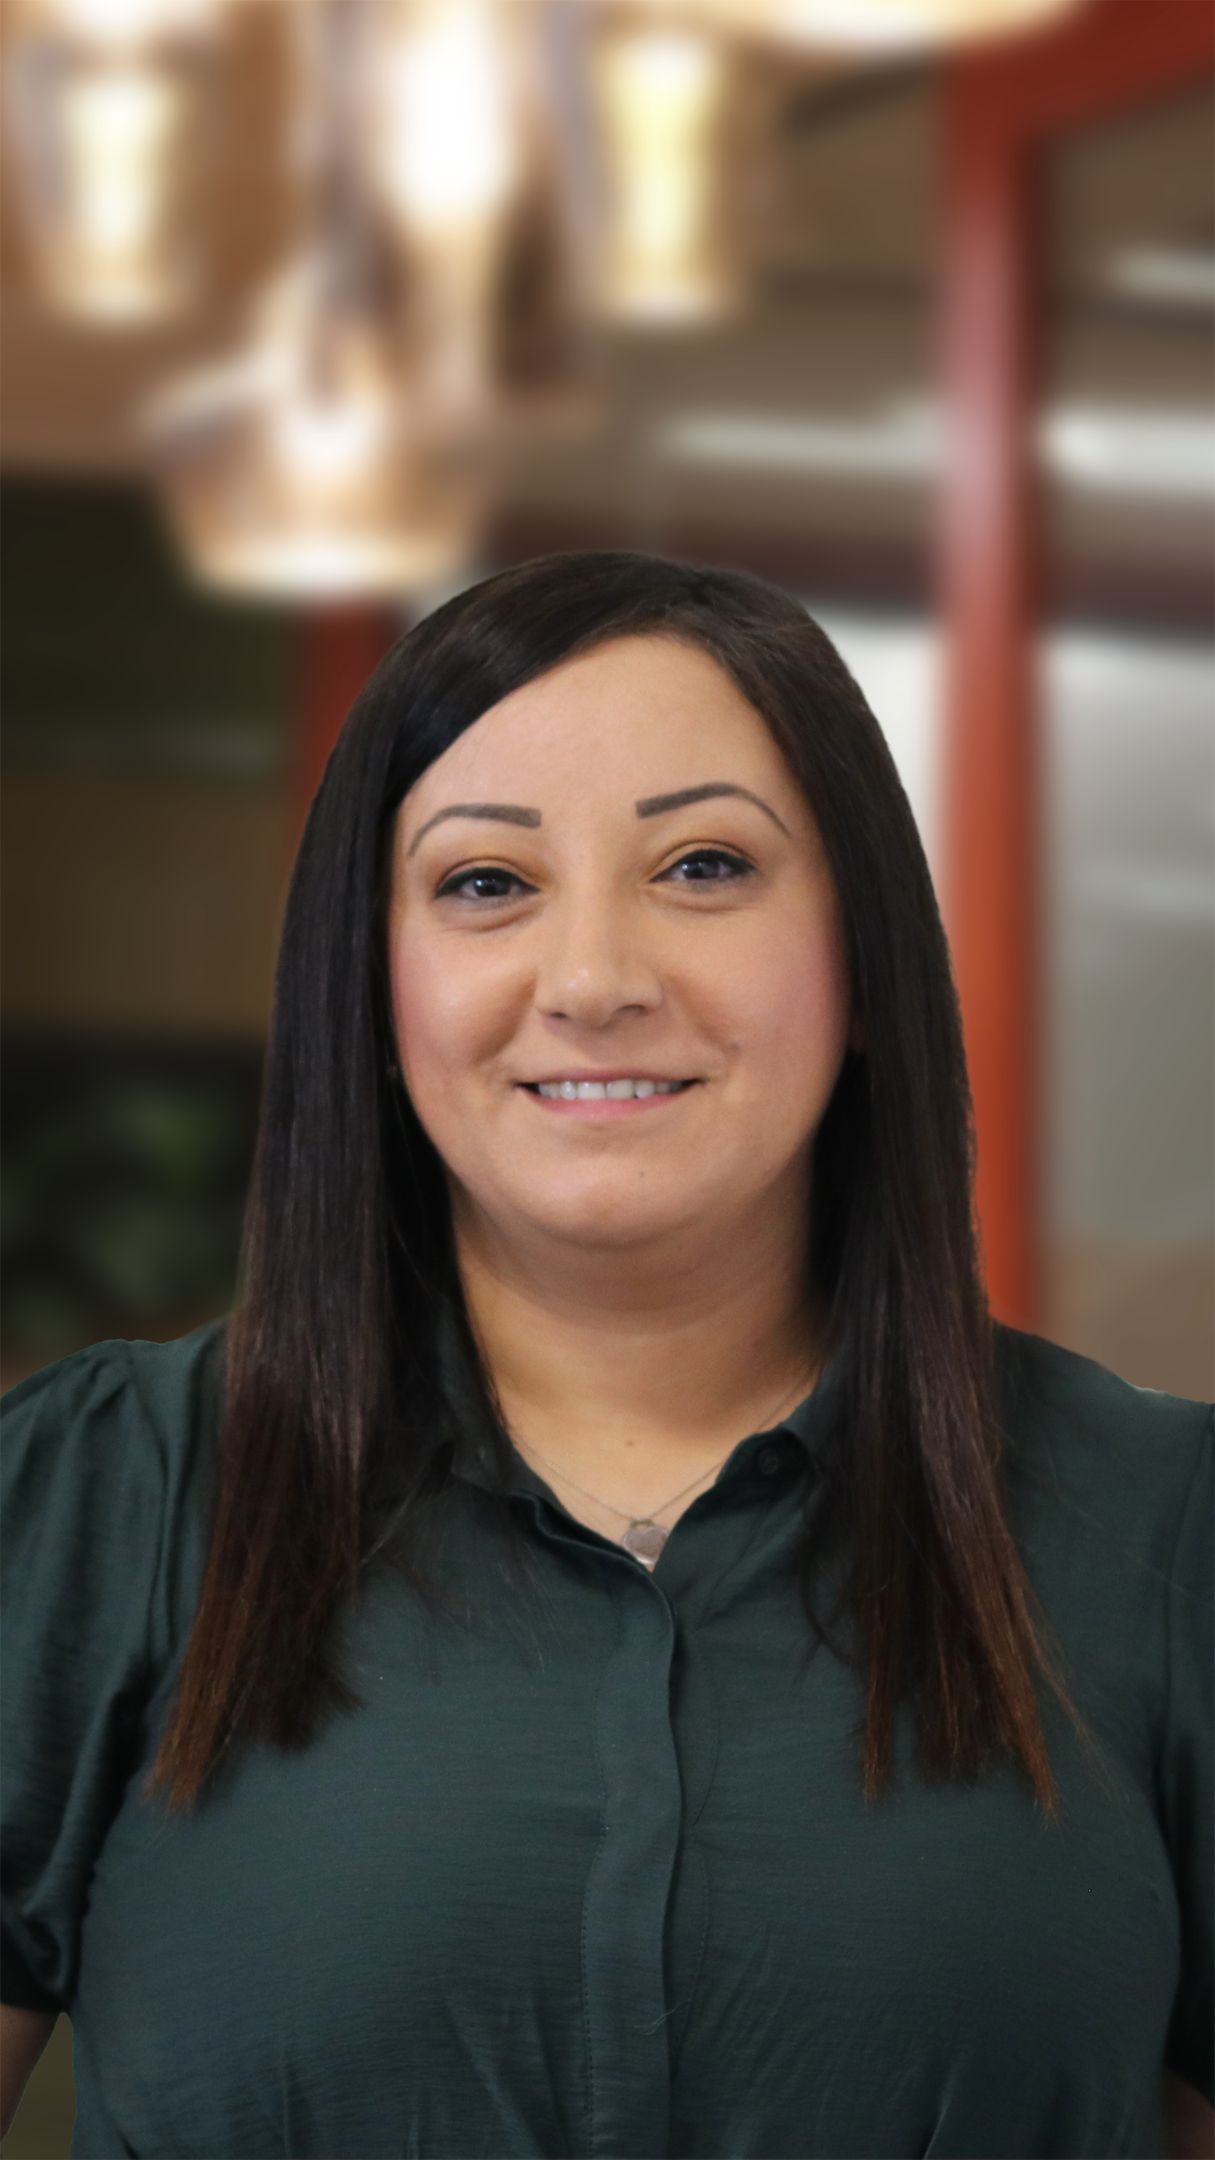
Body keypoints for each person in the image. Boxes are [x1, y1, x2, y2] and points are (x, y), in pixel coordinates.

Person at [1, 550, 1210, 2160]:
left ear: (863, 964)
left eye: (706, 866)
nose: (594, 984)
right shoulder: (98, 1500)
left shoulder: (1164, 1531)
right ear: (372, 984)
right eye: (486, 884)